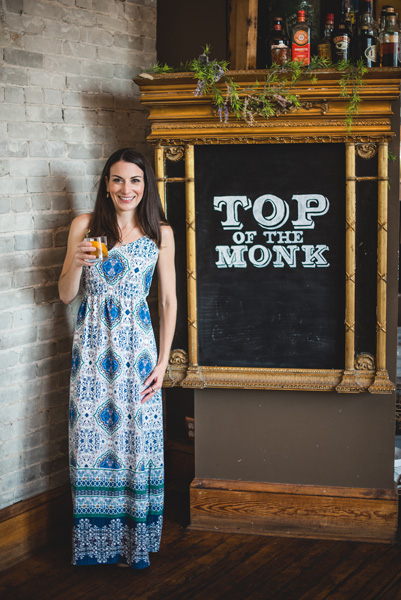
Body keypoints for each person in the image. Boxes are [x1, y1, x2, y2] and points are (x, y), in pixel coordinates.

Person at [59, 148, 176, 569]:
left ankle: (133, 546)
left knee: (135, 442)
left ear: (146, 188)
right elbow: (66, 294)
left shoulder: (159, 232)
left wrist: (162, 363)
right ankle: (96, 546)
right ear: (106, 186)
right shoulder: (86, 226)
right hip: (91, 350)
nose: (126, 189)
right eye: (117, 180)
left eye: (135, 181)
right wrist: (76, 261)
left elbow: (167, 300)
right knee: (90, 445)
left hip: (138, 350)